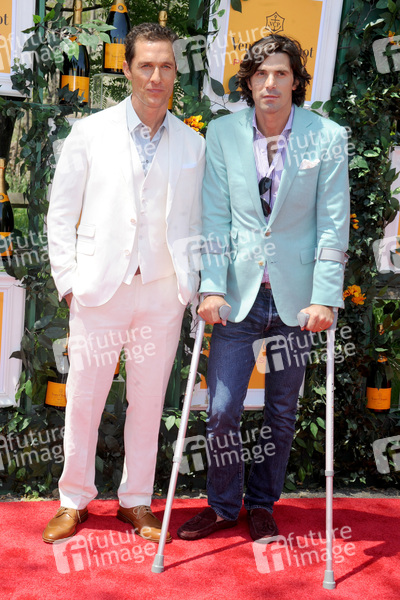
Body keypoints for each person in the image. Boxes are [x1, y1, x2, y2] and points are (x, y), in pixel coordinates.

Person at [177, 34, 349, 542]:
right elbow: (215, 216)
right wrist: (211, 286)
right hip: (237, 296)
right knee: (222, 410)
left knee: (281, 412)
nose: (270, 83)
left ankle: (261, 503)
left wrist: (325, 296)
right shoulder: (223, 133)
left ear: (296, 81)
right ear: (248, 83)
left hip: (298, 301)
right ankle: (223, 505)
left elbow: (333, 222)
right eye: (260, 74)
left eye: (280, 73)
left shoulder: (327, 136)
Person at [44, 23, 205, 544]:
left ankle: (136, 500)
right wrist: (69, 280)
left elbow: (197, 221)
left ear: (175, 73)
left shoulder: (193, 144)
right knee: (83, 397)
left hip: (162, 292)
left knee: (148, 402)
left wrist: (189, 286)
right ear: (128, 69)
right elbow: (60, 213)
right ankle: (73, 499)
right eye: (146, 65)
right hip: (98, 290)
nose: (156, 77)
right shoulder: (89, 133)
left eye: (166, 66)